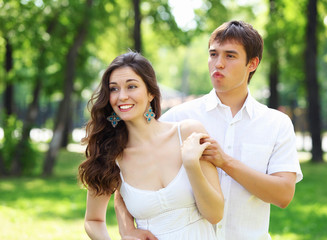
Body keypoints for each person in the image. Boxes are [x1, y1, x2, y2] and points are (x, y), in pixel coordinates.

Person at [115, 20, 303, 239]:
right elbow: (127, 173)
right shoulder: (178, 118)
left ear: (252, 64)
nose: (218, 64)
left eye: (230, 56)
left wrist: (225, 162)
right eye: (213, 54)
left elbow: (283, 195)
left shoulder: (276, 123)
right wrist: (126, 227)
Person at [78, 51, 224, 240]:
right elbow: (93, 220)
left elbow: (215, 215)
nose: (122, 96)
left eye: (131, 86)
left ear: (151, 93)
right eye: (114, 89)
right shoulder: (111, 156)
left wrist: (191, 164)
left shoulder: (189, 133)